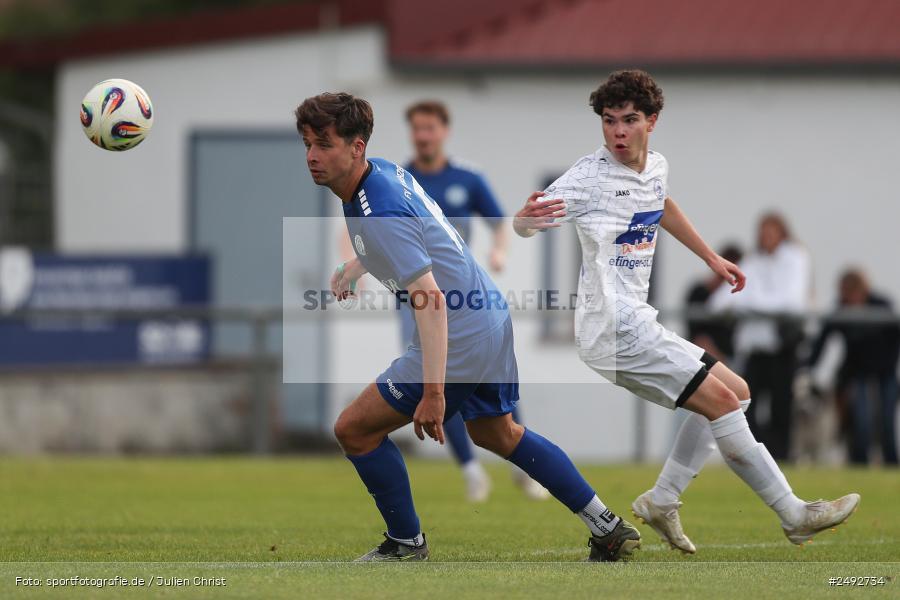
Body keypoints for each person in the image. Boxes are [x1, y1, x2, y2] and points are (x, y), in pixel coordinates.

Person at [514, 70, 859, 555]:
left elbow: (661, 203)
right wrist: (524, 221)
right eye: (609, 121)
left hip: (638, 321)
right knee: (722, 403)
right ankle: (793, 514)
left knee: (736, 393)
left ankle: (663, 499)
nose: (617, 132)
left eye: (629, 120)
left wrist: (710, 258)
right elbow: (526, 222)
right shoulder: (588, 177)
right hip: (612, 330)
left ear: (651, 121)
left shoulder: (655, 166)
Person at [297, 92, 641, 562]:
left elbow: (431, 300)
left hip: (457, 330)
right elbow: (431, 234)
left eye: (324, 143)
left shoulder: (379, 206)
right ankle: (606, 525)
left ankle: (405, 543)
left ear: (356, 146)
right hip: (489, 318)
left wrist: (435, 393)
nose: (313, 156)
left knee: (354, 430)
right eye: (307, 143)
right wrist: (359, 265)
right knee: (498, 434)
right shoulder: (382, 173)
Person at [403, 99, 547, 502]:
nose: (423, 136)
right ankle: (470, 470)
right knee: (434, 382)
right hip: (418, 300)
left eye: (429, 127)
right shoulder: (402, 179)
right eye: (417, 128)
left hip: (467, 298)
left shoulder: (467, 178)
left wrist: (500, 251)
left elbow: (499, 223)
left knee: (492, 380)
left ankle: (524, 468)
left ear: (443, 131)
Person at [709, 212, 811, 460]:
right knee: (747, 407)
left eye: (772, 232)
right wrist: (756, 304)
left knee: (781, 408)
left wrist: (748, 303)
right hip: (753, 351)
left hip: (782, 348)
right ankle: (753, 460)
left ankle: (782, 459)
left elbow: (792, 302)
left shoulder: (795, 258)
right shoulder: (753, 261)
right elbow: (718, 303)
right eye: (763, 232)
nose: (766, 238)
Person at [808, 269, 899, 465]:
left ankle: (891, 462)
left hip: (885, 371)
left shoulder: (882, 306)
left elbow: (895, 340)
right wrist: (808, 366)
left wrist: (889, 363)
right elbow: (822, 340)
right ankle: (861, 461)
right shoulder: (841, 309)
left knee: (886, 418)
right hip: (857, 372)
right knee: (861, 419)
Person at [684, 244, 743, 362]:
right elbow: (699, 337)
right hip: (703, 357)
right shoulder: (700, 292)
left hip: (730, 357)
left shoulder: (737, 297)